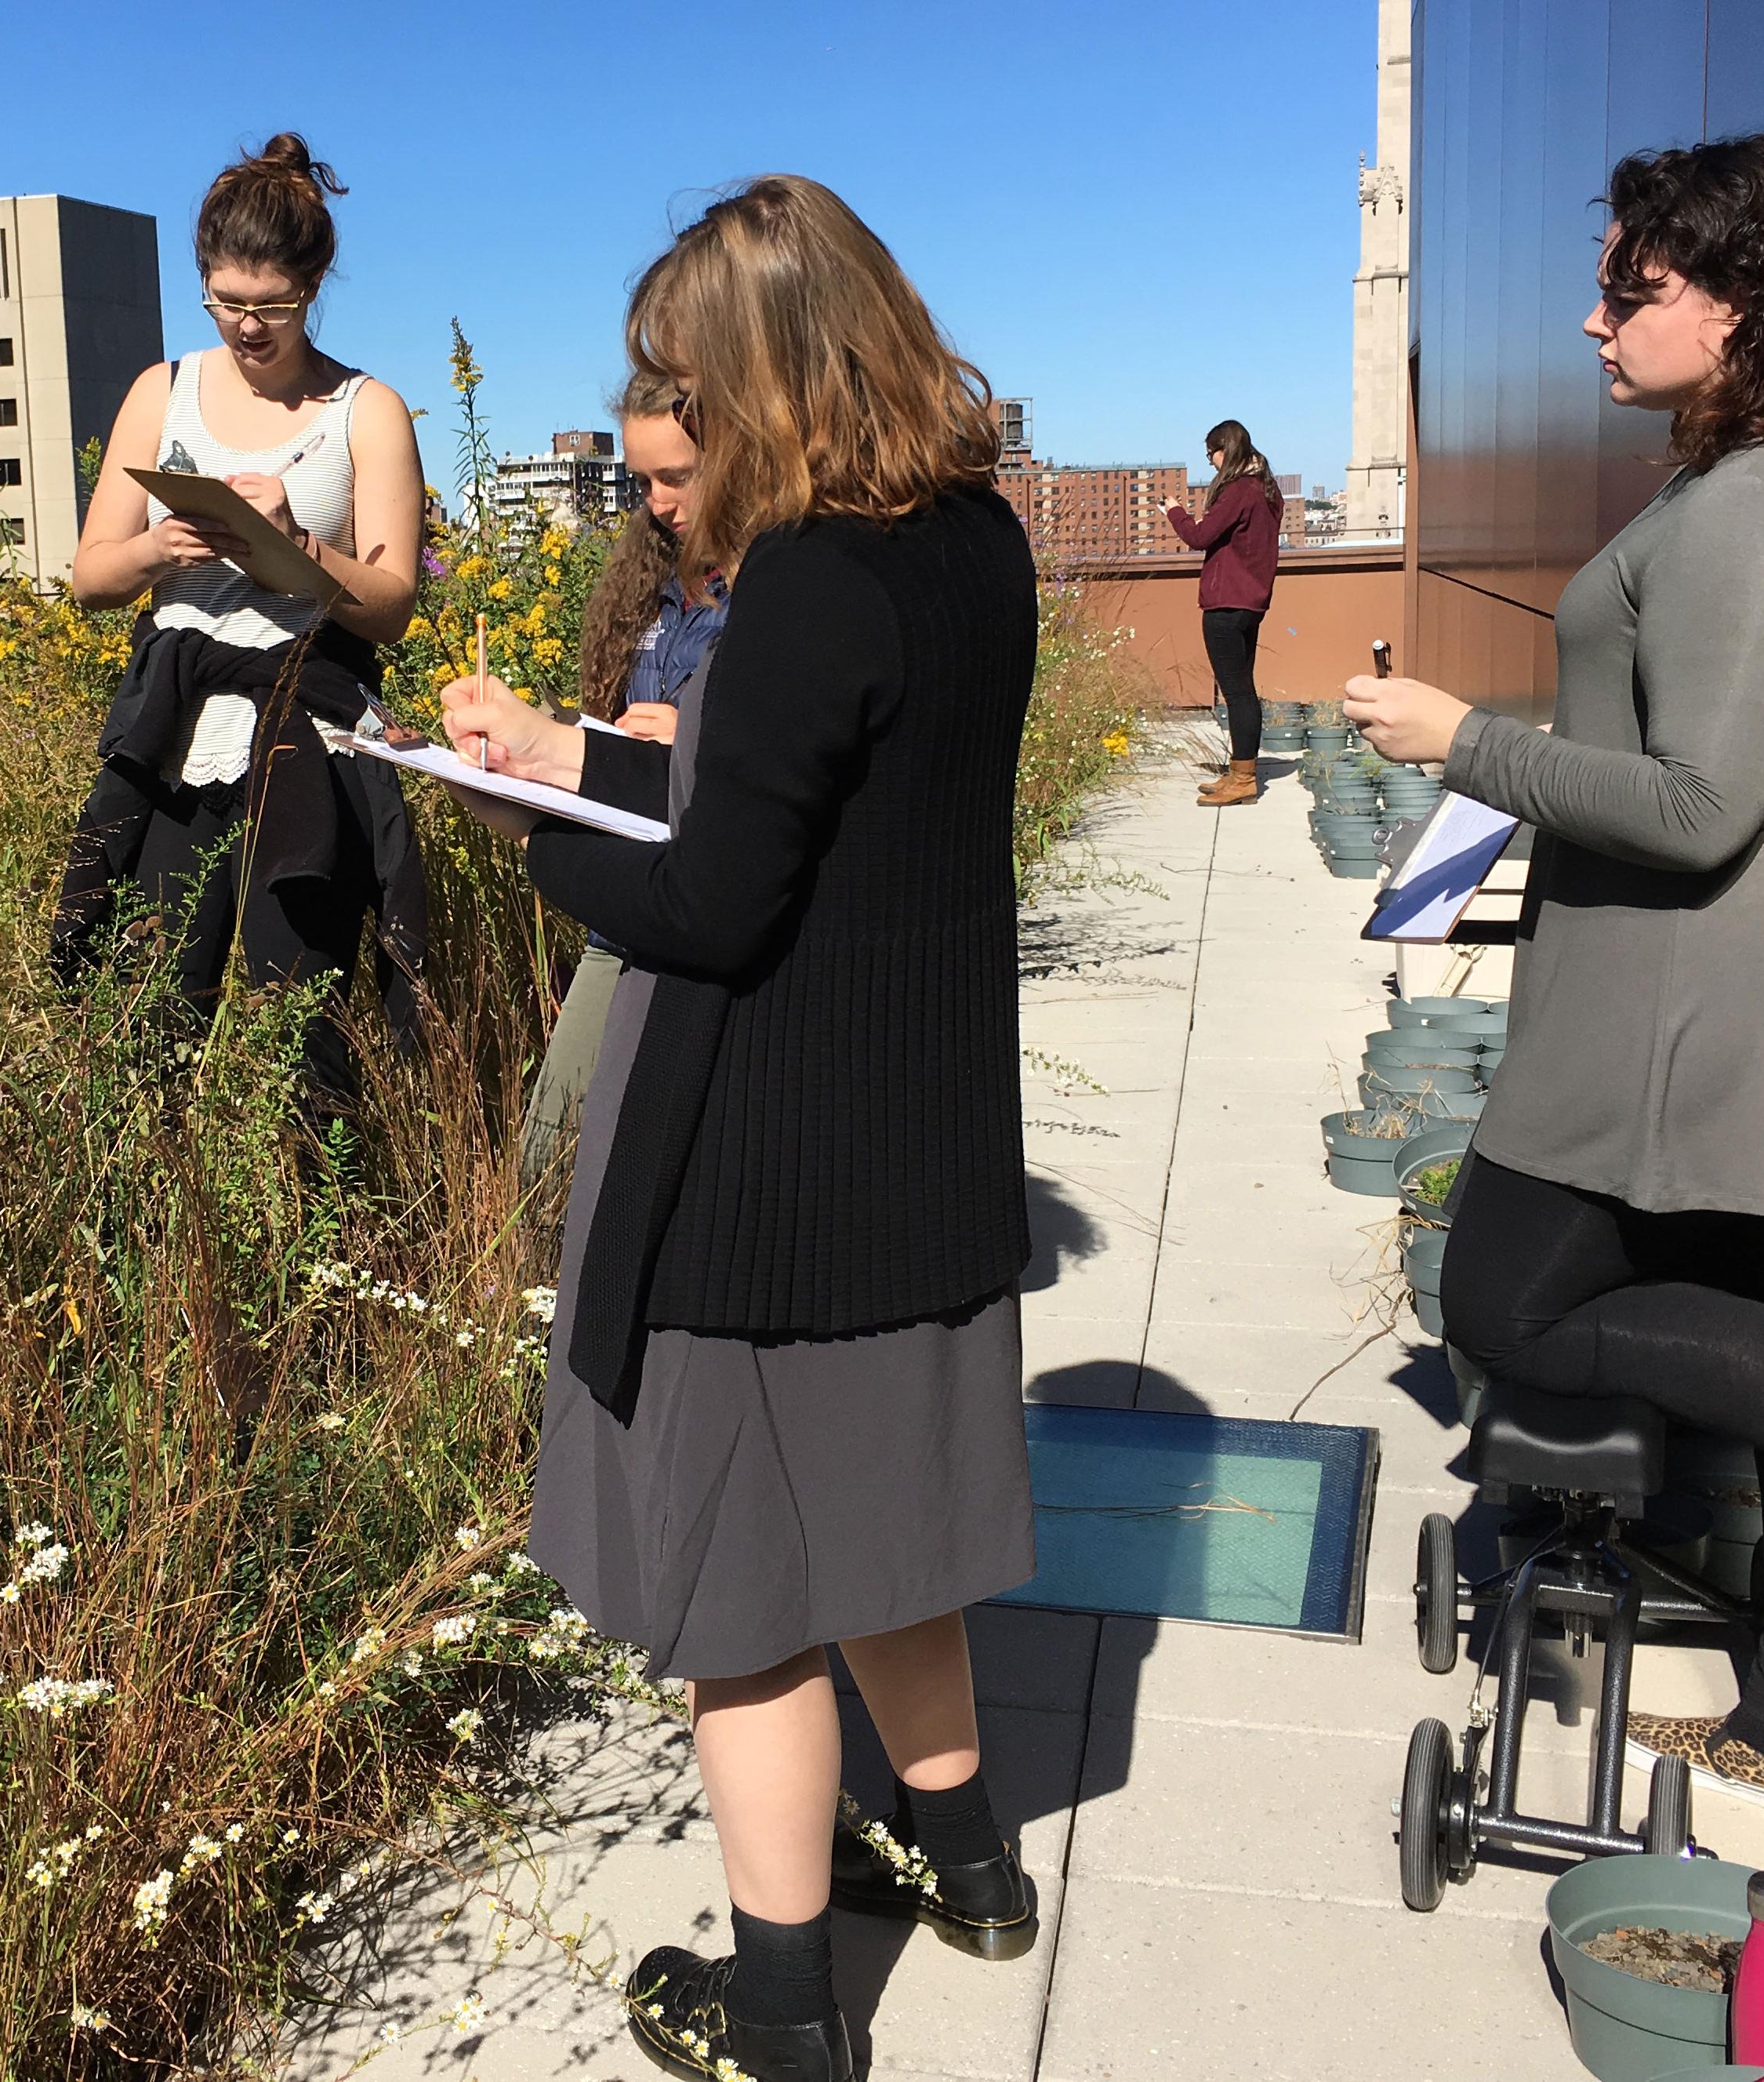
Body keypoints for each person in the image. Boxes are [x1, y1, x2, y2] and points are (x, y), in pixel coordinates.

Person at [1343, 135, 1764, 1834]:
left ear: (1740, 306)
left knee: (1509, 1303)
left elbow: (1697, 803)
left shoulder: (1751, 507)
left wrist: (1469, 746)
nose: (1593, 322)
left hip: (1732, 1001)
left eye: (1631, 291)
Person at [439, 176, 1042, 2082]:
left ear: (763, 386)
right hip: (925, 1141)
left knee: (750, 1603)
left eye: (668, 399)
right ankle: (969, 1867)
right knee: (893, 1541)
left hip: (759, 1169)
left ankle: (783, 2011)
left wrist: (517, 824)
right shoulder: (966, 545)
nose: (648, 455)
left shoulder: (796, 581)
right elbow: (809, 779)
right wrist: (588, 750)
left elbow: (711, 902)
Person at [53, 134, 428, 1106]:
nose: (246, 327)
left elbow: (391, 609)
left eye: (272, 306)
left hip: (311, 723)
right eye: (225, 302)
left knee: (300, 1026)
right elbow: (90, 576)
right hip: (179, 728)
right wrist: (157, 548)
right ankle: (158, 1242)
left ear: (313, 285)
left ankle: (319, 1244)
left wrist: (298, 541)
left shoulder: (365, 410)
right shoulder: (163, 390)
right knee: (147, 1014)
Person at [514, 371, 723, 1189]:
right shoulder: (649, 593)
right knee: (547, 1155)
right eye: (642, 482)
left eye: (676, 477)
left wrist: (697, 732)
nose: (658, 503)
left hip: (709, 916)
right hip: (624, 914)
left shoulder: (771, 600)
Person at [1163, 419, 1282, 806]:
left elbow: (1199, 537)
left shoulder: (1239, 490)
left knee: (1238, 693)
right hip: (1251, 601)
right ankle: (1239, 773)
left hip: (1226, 603)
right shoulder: (1266, 489)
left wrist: (1175, 511)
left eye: (1211, 454)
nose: (1210, 463)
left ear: (1224, 451)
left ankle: (1244, 780)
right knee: (1242, 690)